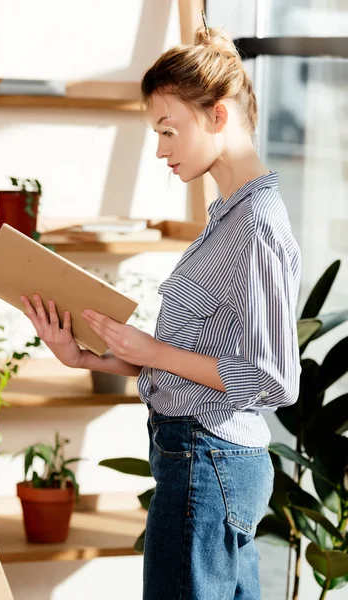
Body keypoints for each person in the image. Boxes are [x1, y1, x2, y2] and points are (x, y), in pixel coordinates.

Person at [20, 22, 301, 600]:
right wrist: (88, 356)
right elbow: (198, 369)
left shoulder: (257, 226)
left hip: (208, 459)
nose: (160, 149)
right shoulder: (227, 218)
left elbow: (276, 379)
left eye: (169, 130)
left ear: (218, 116)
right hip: (199, 457)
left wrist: (149, 349)